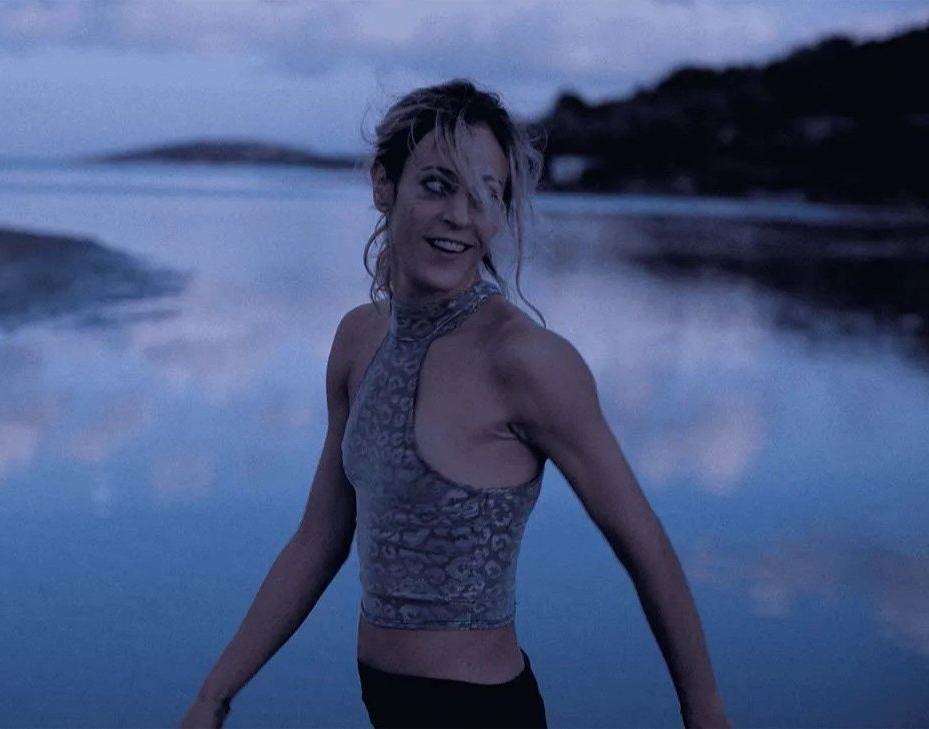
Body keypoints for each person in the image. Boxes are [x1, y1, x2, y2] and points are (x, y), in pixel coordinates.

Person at [178, 79, 731, 729]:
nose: (460, 217)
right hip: (385, 708)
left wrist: (705, 714)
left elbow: (646, 546)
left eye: (485, 195)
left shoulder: (526, 360)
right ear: (385, 185)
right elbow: (318, 539)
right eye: (438, 186)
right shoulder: (358, 341)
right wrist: (215, 693)